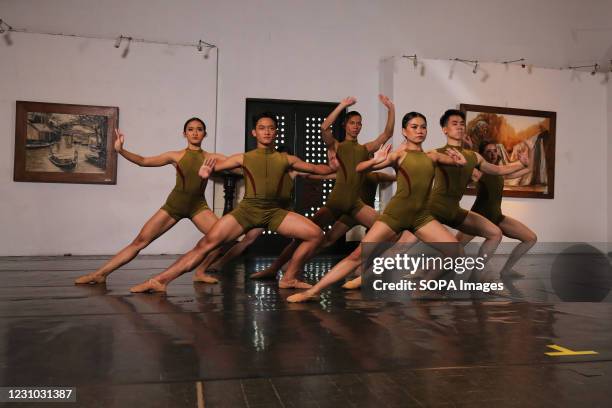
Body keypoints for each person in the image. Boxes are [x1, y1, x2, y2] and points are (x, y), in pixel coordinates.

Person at [129, 112, 339, 293]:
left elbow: (316, 169)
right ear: (254, 133)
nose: (267, 131)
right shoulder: (243, 157)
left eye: (271, 128)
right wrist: (206, 170)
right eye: (262, 128)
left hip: (274, 212)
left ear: (276, 132)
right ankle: (159, 281)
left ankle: (289, 277)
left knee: (315, 235)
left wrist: (332, 165)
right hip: (247, 211)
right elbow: (218, 165)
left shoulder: (287, 159)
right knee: (205, 245)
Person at [287, 112, 468, 303]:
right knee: (357, 256)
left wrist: (461, 162)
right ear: (404, 132)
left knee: (456, 252)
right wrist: (375, 160)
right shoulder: (398, 155)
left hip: (421, 217)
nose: (420, 131)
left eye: (423, 127)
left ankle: (423, 287)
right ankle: (312, 291)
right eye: (414, 127)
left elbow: (456, 163)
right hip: (396, 214)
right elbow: (359, 168)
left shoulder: (432, 156)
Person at [251, 95, 396, 279]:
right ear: (345, 125)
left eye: (359, 123)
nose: (356, 126)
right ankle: (275, 268)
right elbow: (324, 128)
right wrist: (341, 105)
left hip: (355, 204)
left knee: (388, 231)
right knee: (306, 238)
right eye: (352, 123)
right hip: (335, 202)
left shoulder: (365, 149)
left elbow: (387, 134)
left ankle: (364, 268)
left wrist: (391, 108)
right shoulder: (337, 145)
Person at [74, 118, 227, 285]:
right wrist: (121, 150)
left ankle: (200, 272)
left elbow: (240, 164)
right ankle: (100, 274)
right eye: (191, 129)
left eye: (199, 129)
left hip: (198, 207)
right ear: (185, 134)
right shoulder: (175, 155)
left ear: (205, 133)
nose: (195, 132)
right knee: (140, 242)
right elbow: (144, 161)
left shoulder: (212, 158)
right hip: (174, 206)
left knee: (222, 238)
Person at [427, 110, 529, 262]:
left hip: (454, 211)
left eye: (462, 124)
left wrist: (521, 163)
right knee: (400, 247)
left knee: (495, 234)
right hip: (434, 208)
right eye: (454, 124)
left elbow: (499, 170)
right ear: (445, 129)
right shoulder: (434, 153)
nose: (460, 127)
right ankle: (418, 275)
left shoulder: (473, 156)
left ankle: (475, 277)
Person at [456, 142, 537, 277]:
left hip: (496, 217)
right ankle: (422, 271)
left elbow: (529, 169)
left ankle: (505, 271)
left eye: (495, 151)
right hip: (478, 218)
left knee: (530, 238)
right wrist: (466, 147)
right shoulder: (479, 172)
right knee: (453, 247)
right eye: (488, 151)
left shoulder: (501, 173)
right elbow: (466, 164)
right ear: (482, 155)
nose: (493, 154)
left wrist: (531, 149)